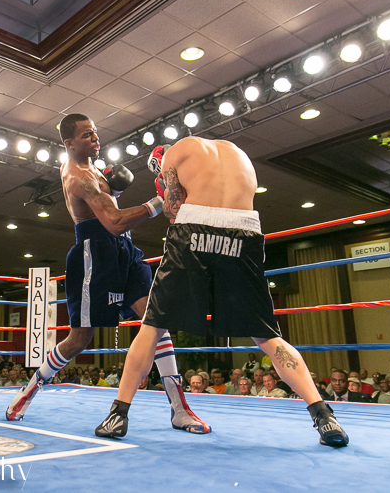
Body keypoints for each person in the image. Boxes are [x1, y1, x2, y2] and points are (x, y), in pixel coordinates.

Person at [94, 137, 348, 447]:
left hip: (194, 230)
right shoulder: (238, 153)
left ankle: (118, 414)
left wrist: (164, 183)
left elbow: (173, 213)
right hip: (245, 233)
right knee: (268, 336)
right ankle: (324, 416)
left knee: (152, 326)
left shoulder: (175, 153)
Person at [7, 114, 208, 436]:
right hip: (94, 255)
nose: (96, 140)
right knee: (79, 339)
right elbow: (113, 221)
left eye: (96, 133)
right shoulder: (78, 177)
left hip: (125, 252)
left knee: (156, 320)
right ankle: (27, 391)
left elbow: (113, 214)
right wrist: (160, 201)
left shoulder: (92, 166)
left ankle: (180, 409)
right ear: (68, 143)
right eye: (87, 136)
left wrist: (114, 184)